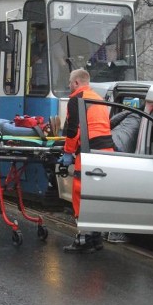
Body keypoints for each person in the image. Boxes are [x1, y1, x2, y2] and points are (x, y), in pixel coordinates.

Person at [60, 69, 115, 253]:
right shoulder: (98, 98)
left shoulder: (77, 99)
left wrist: (67, 153)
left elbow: (73, 130)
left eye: (69, 82)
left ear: (76, 82)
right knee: (96, 196)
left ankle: (83, 239)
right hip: (107, 151)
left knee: (80, 194)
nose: (69, 86)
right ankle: (96, 238)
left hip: (88, 152)